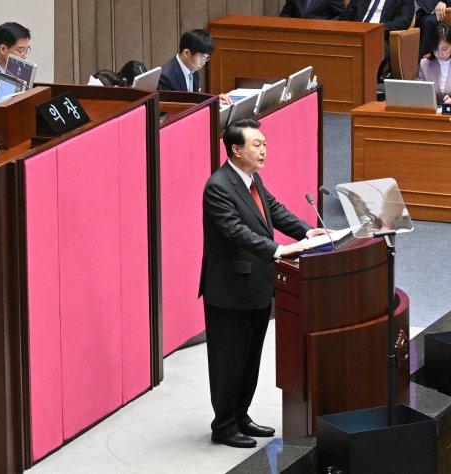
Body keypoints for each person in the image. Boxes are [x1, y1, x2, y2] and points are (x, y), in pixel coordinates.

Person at [199, 118, 326, 448]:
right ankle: (223, 426)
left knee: (250, 358)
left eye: (265, 143)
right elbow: (235, 232)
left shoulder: (252, 180)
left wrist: (305, 231)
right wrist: (280, 249)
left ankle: (240, 415)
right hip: (229, 291)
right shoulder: (218, 186)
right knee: (228, 361)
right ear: (236, 149)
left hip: (256, 287)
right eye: (257, 144)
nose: (264, 149)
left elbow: (273, 210)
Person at [158, 29, 232, 104]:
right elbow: (175, 109)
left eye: (206, 58)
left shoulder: (192, 68)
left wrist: (213, 100)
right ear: (187, 53)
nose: (203, 63)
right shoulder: (165, 77)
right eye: (202, 58)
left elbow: (195, 99)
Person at [343, 0, 415, 73]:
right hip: (357, 34)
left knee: (370, 50)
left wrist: (376, 30)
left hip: (382, 37)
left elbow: (404, 20)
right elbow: (347, 14)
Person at [417, 22, 451, 103]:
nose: (439, 54)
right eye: (435, 49)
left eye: (444, 49)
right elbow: (419, 91)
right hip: (433, 111)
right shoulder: (425, 64)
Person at [280, 0, 347, 19]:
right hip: (295, 37)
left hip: (320, 38)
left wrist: (326, 26)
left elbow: (341, 15)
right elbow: (285, 13)